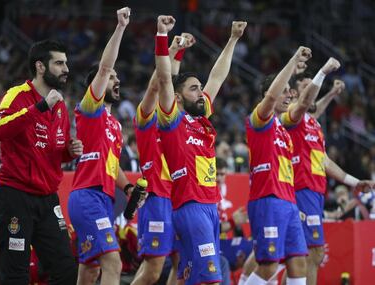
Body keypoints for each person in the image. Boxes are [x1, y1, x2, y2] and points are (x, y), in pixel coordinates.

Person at [154, 15, 247, 285]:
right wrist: (162, 35)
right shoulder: (172, 119)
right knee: (211, 280)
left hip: (209, 207)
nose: (201, 92)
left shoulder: (201, 118)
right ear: (179, 97)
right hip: (191, 207)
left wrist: (232, 39)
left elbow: (217, 77)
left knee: (191, 278)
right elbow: (163, 77)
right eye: (194, 89)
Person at [0, 39, 82, 284]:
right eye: (59, 63)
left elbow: (53, 151)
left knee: (65, 270)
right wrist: (40, 106)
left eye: (66, 63)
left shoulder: (60, 105)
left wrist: (69, 152)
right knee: (16, 274)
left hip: (47, 199)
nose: (66, 69)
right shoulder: (16, 94)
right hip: (15, 197)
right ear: (40, 67)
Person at [68, 7, 145, 285]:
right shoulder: (90, 109)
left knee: (90, 271)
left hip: (103, 200)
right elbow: (103, 68)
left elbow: (113, 167)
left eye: (116, 78)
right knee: (113, 261)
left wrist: (127, 187)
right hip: (87, 197)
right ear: (95, 86)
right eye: (112, 78)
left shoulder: (115, 126)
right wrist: (121, 27)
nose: (117, 80)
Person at [284, 65, 375, 285]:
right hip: (301, 189)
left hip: (316, 192)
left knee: (307, 255)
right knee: (309, 254)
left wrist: (355, 182)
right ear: (296, 93)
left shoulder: (313, 125)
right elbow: (307, 104)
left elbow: (324, 161)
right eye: (307, 87)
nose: (313, 91)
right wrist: (323, 72)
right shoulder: (292, 118)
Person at [244, 46, 313, 285]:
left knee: (298, 263)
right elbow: (272, 98)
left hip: (288, 202)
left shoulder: (284, 129)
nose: (289, 95)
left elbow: (303, 104)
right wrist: (293, 60)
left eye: (289, 92)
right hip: (267, 199)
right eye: (283, 92)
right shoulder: (259, 120)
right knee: (269, 265)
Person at [131, 32, 195, 285]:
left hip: (179, 198)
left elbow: (170, 81)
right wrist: (169, 45)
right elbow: (159, 82)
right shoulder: (146, 119)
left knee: (181, 265)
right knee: (153, 270)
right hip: (157, 197)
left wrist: (179, 51)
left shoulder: (175, 122)